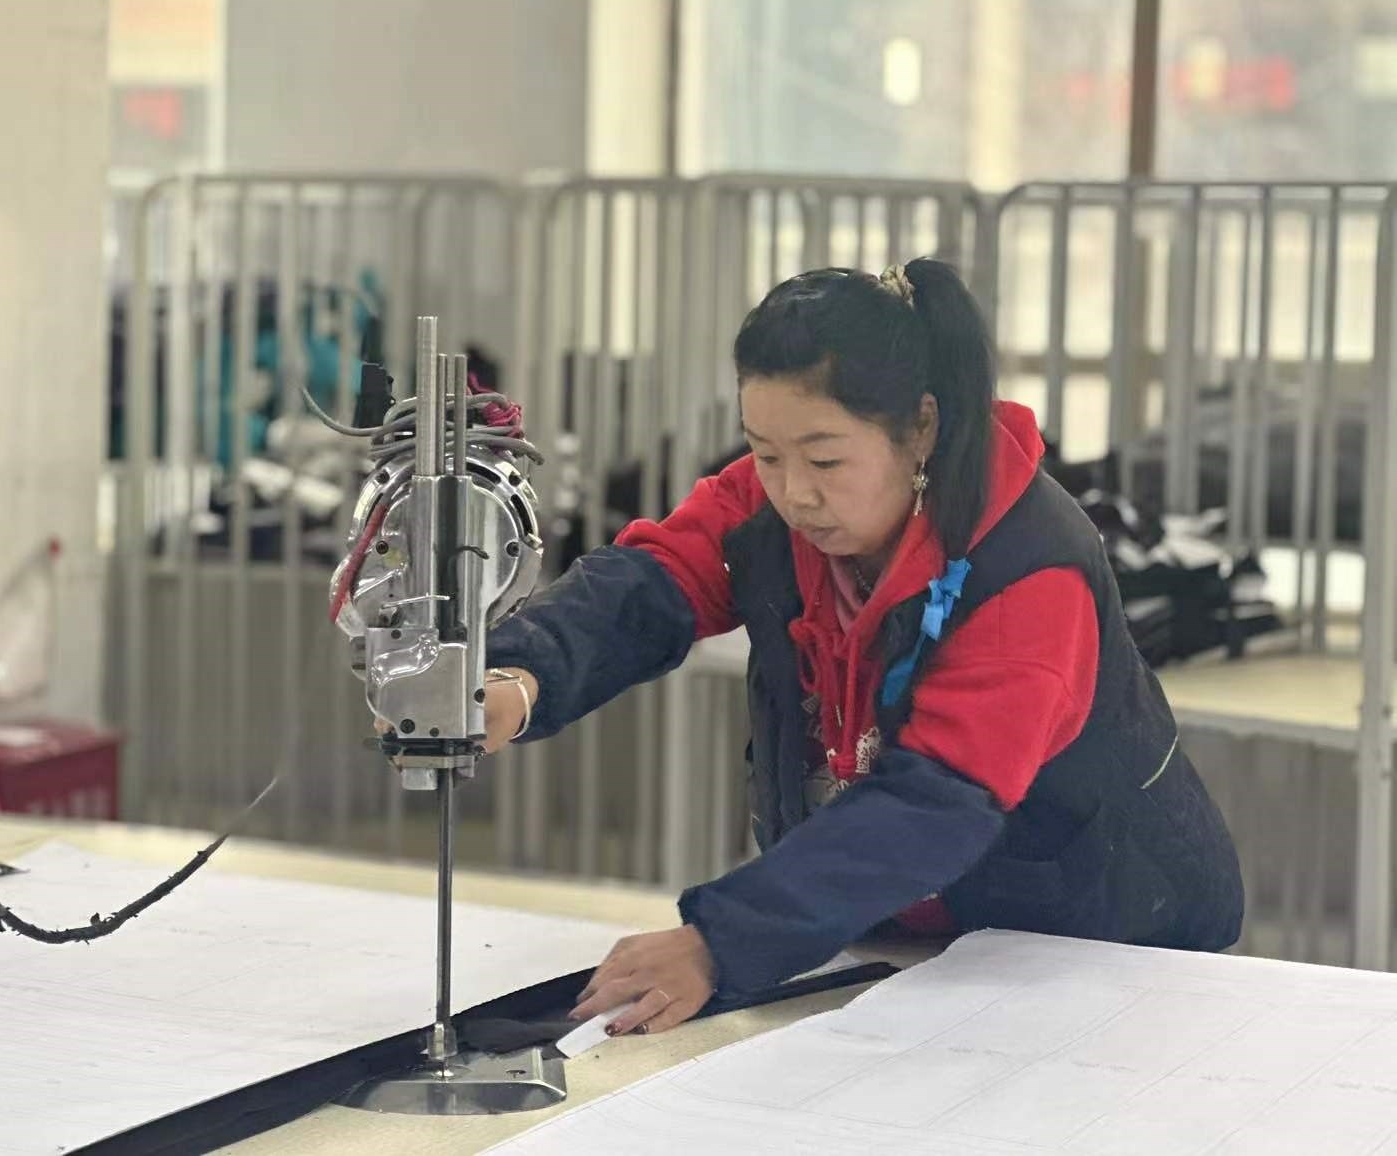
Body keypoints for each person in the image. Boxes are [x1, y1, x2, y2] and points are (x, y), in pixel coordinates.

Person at [473, 259, 1243, 1039]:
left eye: (825, 459)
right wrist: (513, 676)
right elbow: (654, 581)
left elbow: (935, 803)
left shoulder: (1027, 569)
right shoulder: (777, 504)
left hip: (1103, 947)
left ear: (922, 429)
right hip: (912, 938)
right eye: (764, 452)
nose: (793, 492)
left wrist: (720, 942)